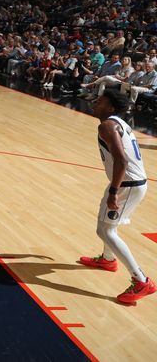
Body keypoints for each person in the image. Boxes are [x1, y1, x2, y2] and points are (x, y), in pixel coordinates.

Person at [78, 88, 155, 304]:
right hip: (128, 183)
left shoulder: (107, 125)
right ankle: (107, 259)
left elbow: (121, 161)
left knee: (105, 230)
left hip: (125, 185)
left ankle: (141, 280)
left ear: (111, 107)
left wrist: (113, 191)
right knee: (108, 225)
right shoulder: (119, 123)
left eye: (100, 101)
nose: (95, 103)